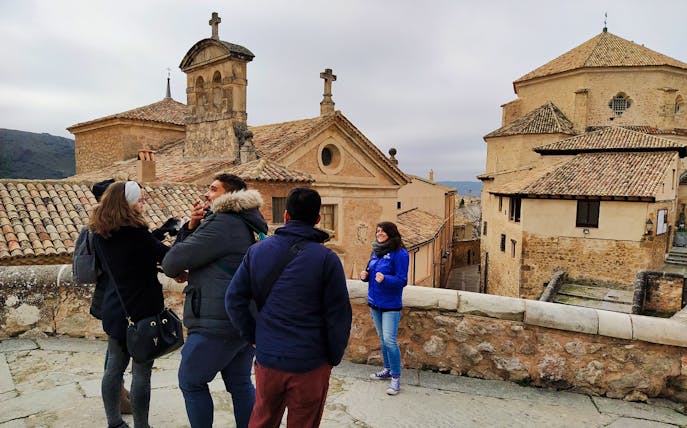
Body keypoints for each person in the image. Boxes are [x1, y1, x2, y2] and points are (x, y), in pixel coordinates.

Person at [226, 187, 352, 428]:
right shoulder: (327, 260)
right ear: (317, 220)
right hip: (310, 362)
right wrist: (332, 358)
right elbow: (338, 316)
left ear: (285, 216)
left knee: (262, 419)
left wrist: (253, 336)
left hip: (269, 358)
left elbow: (234, 300)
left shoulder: (257, 252)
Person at [162, 173, 268, 428]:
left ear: (229, 196)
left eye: (212, 190)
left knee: (191, 381)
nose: (206, 195)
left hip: (215, 320)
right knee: (240, 384)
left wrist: (189, 228)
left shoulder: (222, 222)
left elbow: (171, 262)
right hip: (244, 318)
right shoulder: (252, 223)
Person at [90, 181, 170, 428]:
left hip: (116, 308)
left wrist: (155, 235)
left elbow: (133, 252)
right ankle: (141, 426)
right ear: (127, 203)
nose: (142, 204)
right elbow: (166, 257)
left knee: (114, 369)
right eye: (139, 200)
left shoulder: (100, 232)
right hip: (143, 311)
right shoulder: (137, 235)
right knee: (141, 373)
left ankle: (114, 423)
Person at [360, 221, 409, 396]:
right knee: (382, 339)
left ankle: (396, 378)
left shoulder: (400, 253)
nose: (379, 233)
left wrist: (386, 279)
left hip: (391, 305)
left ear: (391, 233)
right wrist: (365, 276)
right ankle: (387, 369)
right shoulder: (376, 250)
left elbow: (402, 280)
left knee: (390, 340)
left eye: (383, 231)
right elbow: (371, 272)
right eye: (378, 231)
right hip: (375, 302)